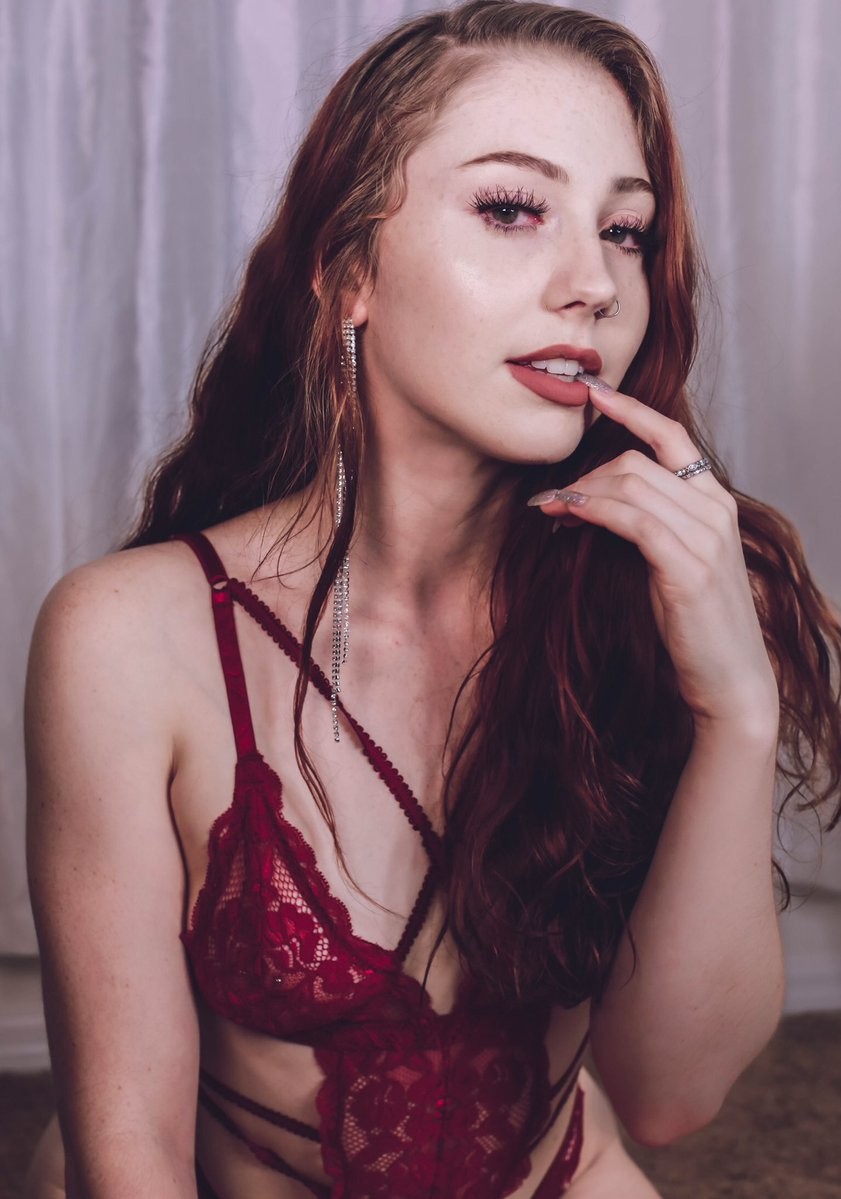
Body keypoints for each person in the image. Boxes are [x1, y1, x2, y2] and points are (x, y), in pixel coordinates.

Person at [23, 2, 841, 1196]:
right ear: (347, 270)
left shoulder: (662, 604)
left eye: (623, 229)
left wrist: (735, 706)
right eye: (511, 208)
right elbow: (130, 1149)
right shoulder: (130, 635)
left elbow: (671, 1093)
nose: (593, 284)